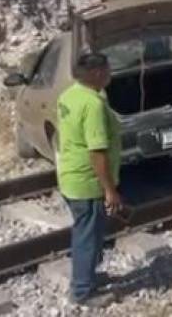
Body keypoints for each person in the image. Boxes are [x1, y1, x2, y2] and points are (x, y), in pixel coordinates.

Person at [57, 53, 125, 307]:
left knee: (90, 232)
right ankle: (82, 291)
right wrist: (110, 190)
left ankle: (88, 276)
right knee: (88, 236)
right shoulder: (92, 105)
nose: (111, 74)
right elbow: (97, 152)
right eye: (108, 70)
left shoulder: (70, 94)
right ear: (96, 73)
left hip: (69, 175)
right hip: (87, 183)